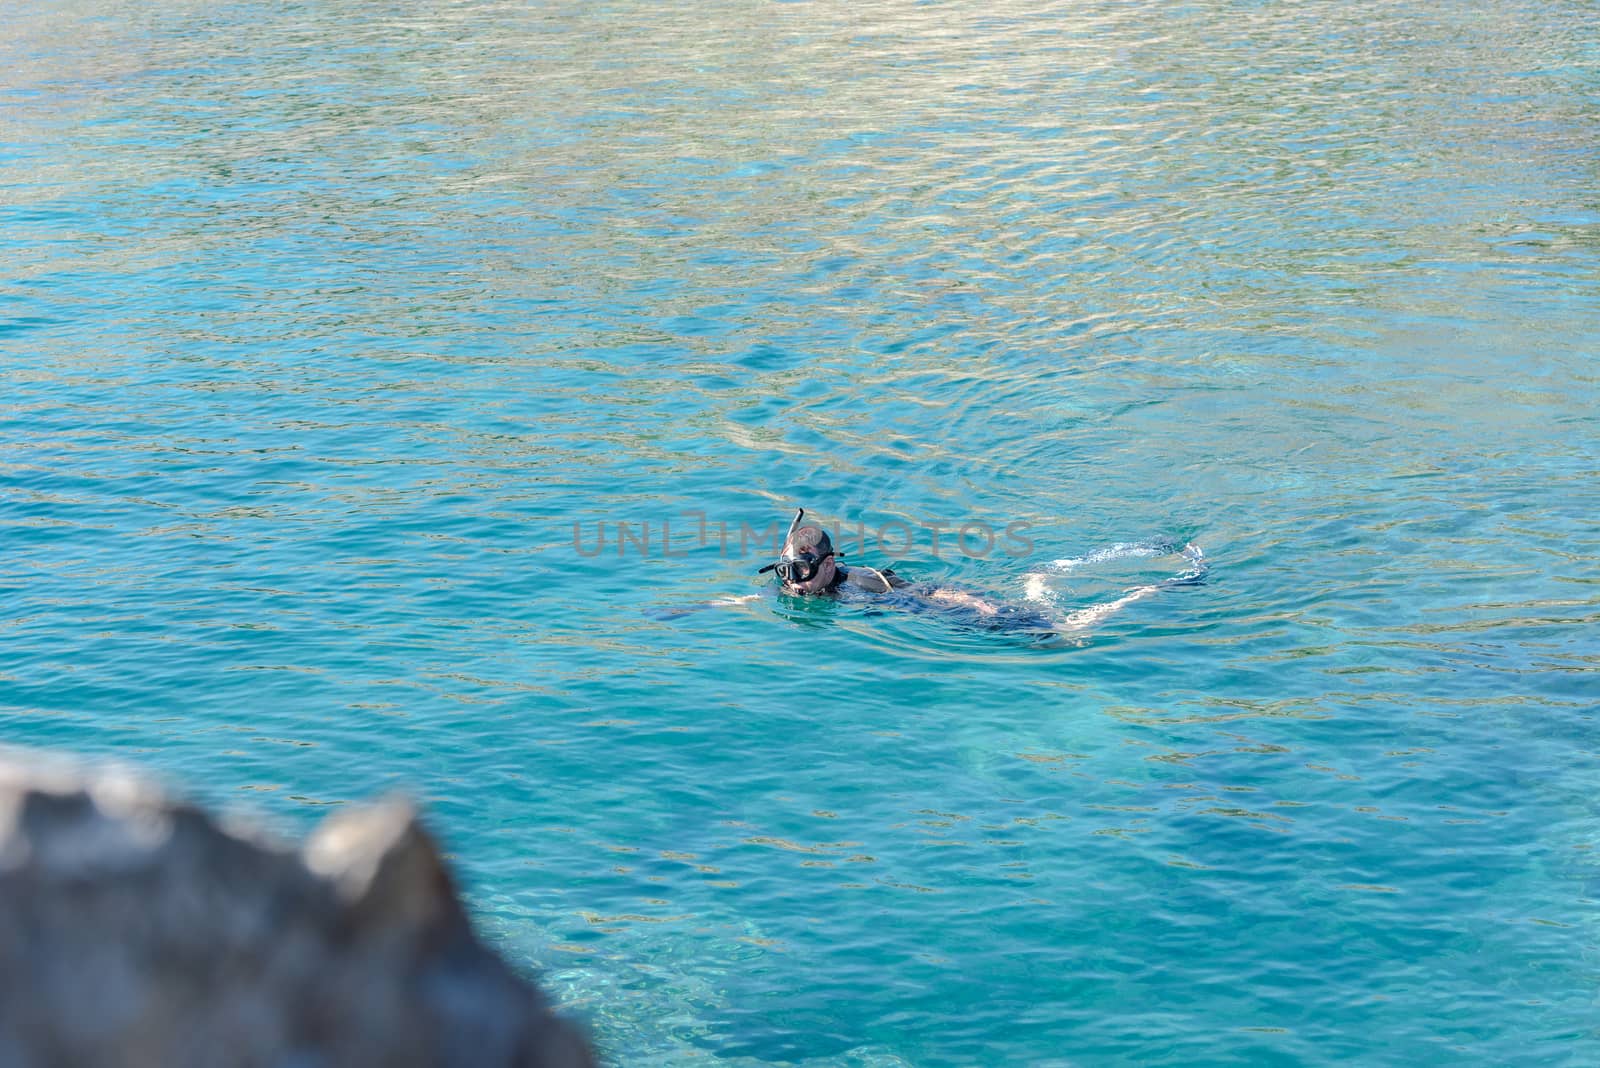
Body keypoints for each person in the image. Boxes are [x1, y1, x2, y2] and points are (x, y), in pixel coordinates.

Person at [751, 508, 1206, 640]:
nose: (794, 583)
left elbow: (931, 595)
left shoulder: (858, 585)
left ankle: (1163, 585)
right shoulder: (806, 589)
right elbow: (745, 602)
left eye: (803, 572)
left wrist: (981, 606)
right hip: (933, 605)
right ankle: (1039, 578)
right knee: (1045, 606)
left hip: (940, 604)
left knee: (1068, 631)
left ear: (829, 564)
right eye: (787, 572)